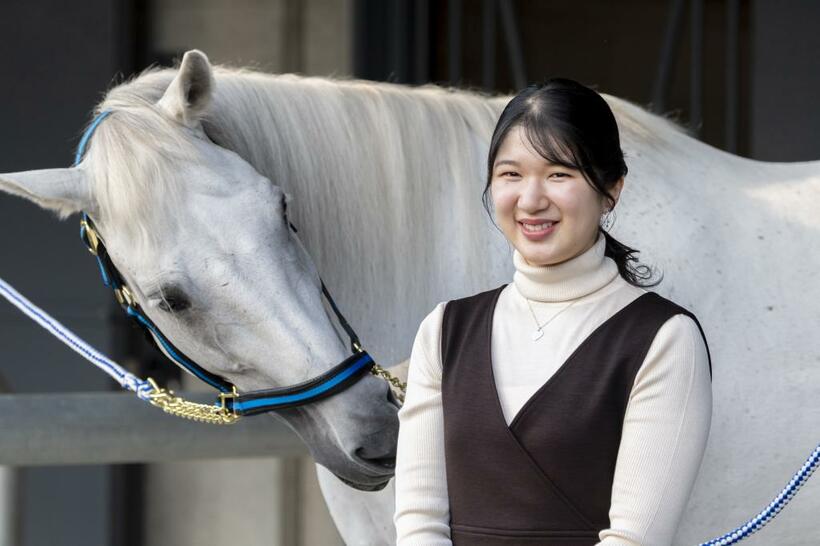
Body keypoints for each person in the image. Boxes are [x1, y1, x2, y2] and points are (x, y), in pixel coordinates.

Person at [393, 78, 713, 546]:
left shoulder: (663, 338)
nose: (531, 199)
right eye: (511, 175)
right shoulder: (444, 330)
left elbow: (635, 539)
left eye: (559, 174)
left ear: (611, 188)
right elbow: (419, 523)